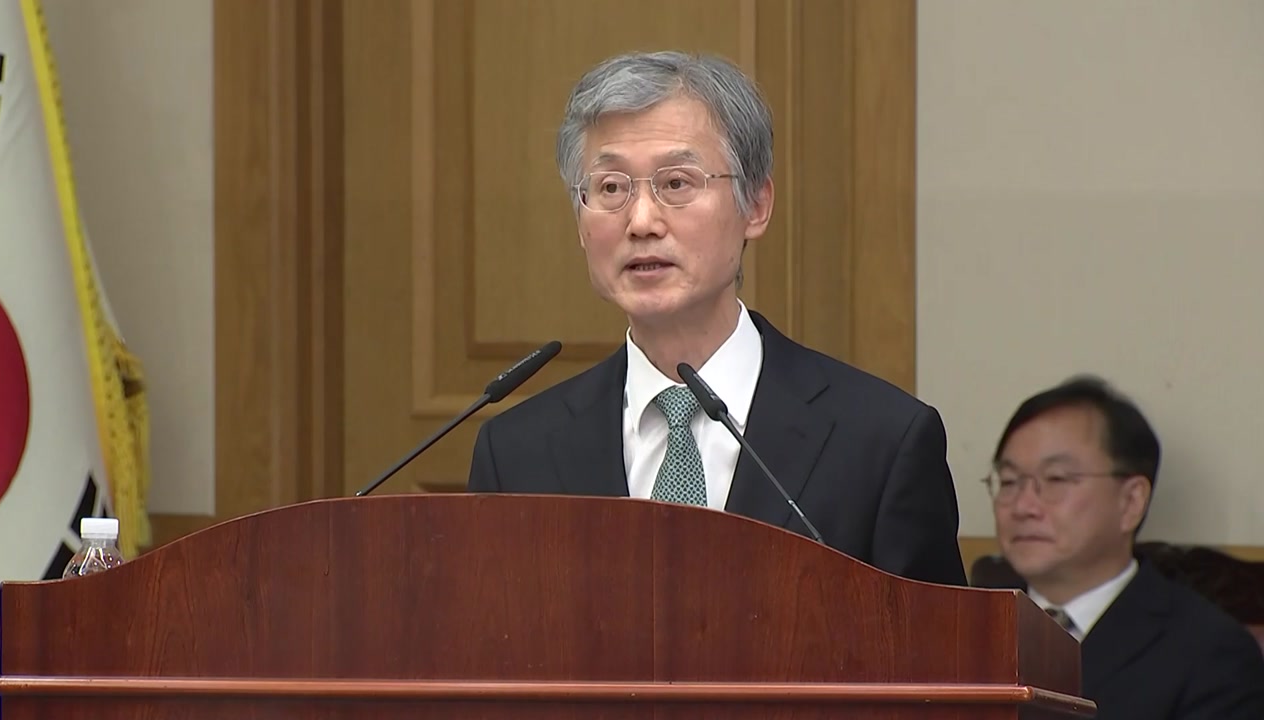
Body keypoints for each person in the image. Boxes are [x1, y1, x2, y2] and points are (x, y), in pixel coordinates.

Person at [466, 50, 966, 586]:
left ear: (756, 206)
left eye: (676, 184)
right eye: (610, 188)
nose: (641, 221)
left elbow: (936, 641)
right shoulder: (516, 455)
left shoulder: (880, 443)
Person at [977, 376, 1264, 719]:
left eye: (1056, 479)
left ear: (1131, 501)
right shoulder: (966, 627)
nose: (1023, 506)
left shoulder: (1212, 654)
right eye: (1009, 481)